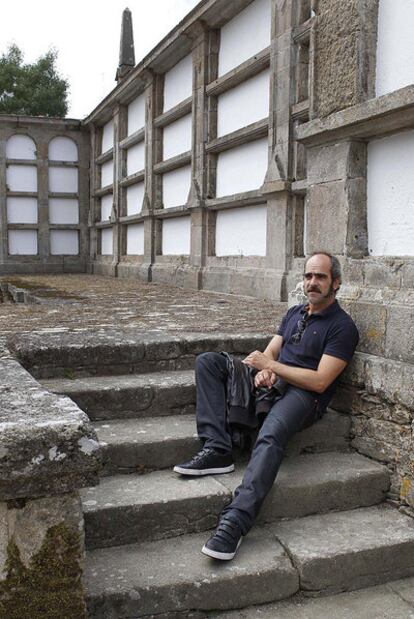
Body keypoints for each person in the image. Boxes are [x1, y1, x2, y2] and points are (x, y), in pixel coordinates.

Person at [174, 252, 359, 561]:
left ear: (336, 283)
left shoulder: (342, 327)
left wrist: (273, 366)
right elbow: (271, 351)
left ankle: (234, 522)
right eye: (308, 276)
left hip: (303, 396)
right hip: (276, 383)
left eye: (321, 277)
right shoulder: (294, 313)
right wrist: (265, 370)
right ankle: (218, 448)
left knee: (271, 434)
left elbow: (320, 381)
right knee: (209, 362)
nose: (312, 283)